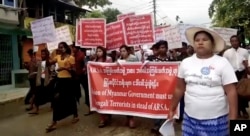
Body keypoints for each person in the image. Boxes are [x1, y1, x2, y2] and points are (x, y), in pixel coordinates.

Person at [170, 27, 238, 136]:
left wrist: (233, 118)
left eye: (205, 40)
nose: (200, 42)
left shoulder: (222, 62)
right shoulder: (185, 62)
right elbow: (179, 88)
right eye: (197, 40)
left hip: (217, 119)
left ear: (212, 43)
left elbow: (231, 91)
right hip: (190, 118)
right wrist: (171, 109)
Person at [46, 42, 79, 132]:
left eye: (62, 47)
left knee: (71, 99)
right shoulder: (58, 57)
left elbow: (74, 70)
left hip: (68, 81)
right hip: (60, 81)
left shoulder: (71, 58)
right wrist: (47, 54)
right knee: (56, 100)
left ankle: (75, 115)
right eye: (59, 47)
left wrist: (64, 68)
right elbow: (49, 63)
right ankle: (54, 122)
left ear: (65, 48)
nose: (60, 49)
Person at [223, 35, 249, 118]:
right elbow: (224, 65)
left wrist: (246, 67)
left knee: (243, 93)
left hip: (242, 74)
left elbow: (248, 63)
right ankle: (237, 111)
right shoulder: (227, 53)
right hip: (231, 75)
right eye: (232, 41)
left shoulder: (244, 51)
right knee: (234, 94)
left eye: (236, 40)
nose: (234, 42)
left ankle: (244, 110)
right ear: (230, 42)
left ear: (239, 41)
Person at [117, 45, 138, 129]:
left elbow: (138, 69)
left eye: (124, 51)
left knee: (130, 102)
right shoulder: (119, 59)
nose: (122, 53)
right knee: (125, 102)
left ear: (128, 51)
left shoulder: (133, 58)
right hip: (123, 84)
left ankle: (131, 119)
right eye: (121, 51)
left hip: (131, 83)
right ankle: (127, 118)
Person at [94, 46, 113, 128]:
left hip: (107, 83)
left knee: (107, 99)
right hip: (98, 84)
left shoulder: (108, 59)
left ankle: (108, 114)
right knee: (100, 100)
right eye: (97, 51)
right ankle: (102, 119)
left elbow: (111, 69)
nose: (98, 53)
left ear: (104, 52)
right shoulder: (95, 60)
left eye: (100, 51)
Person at [28, 49, 51, 114]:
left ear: (46, 55)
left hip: (47, 80)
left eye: (44, 54)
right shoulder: (40, 62)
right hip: (40, 79)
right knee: (37, 93)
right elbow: (38, 70)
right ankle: (36, 109)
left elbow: (51, 70)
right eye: (42, 54)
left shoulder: (49, 62)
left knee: (49, 93)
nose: (42, 55)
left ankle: (53, 105)